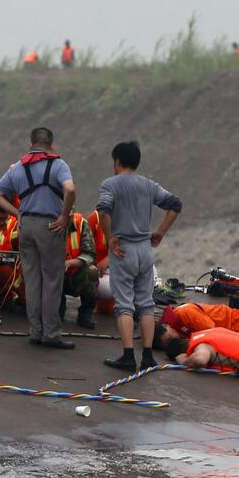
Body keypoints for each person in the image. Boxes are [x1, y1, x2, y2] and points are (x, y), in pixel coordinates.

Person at [0, 127, 77, 349]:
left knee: (32, 280)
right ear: (52, 145)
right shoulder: (58, 165)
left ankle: (35, 331)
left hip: (26, 225)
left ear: (30, 144)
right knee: (52, 280)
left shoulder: (19, 167)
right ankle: (51, 334)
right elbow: (70, 189)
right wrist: (65, 215)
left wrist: (17, 213)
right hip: (50, 226)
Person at [98, 141, 181, 372]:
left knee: (124, 305)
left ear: (117, 161)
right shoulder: (149, 185)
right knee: (146, 305)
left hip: (123, 249)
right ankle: (147, 357)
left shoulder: (110, 184)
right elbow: (175, 204)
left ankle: (127, 357)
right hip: (145, 249)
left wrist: (109, 237)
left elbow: (103, 210)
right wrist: (160, 232)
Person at [61, 211, 99, 329]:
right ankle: (57, 308)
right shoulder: (47, 225)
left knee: (92, 271)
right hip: (55, 273)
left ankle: (86, 312)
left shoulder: (81, 224)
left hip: (76, 272)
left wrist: (70, 263)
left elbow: (90, 254)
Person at [0, 199, 24, 305]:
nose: (2, 222)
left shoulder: (13, 225)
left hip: (2, 273)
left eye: (4, 219)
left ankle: (25, 301)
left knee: (7, 272)